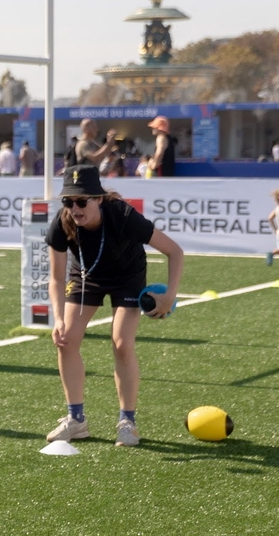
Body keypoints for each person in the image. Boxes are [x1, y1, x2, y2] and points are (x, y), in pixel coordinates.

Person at [44, 165, 185, 447]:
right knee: (66, 340)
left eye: (82, 201)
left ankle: (127, 422)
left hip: (127, 277)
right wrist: (58, 318)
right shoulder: (63, 222)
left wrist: (170, 294)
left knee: (122, 343)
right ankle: (76, 420)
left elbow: (174, 251)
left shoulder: (123, 215)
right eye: (68, 201)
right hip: (86, 276)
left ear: (98, 198)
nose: (75, 208)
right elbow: (56, 278)